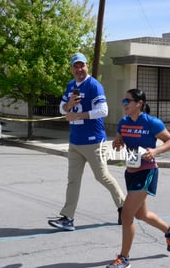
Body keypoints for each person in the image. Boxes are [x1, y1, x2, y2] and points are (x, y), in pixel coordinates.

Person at [48, 53, 125, 231]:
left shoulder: (94, 85)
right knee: (72, 181)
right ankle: (68, 218)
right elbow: (62, 108)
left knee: (102, 177)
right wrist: (69, 106)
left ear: (87, 66)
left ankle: (124, 206)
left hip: (93, 141)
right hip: (75, 141)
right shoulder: (70, 85)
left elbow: (103, 110)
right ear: (71, 68)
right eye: (75, 66)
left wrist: (79, 114)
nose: (79, 69)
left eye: (81, 65)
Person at [106, 89, 170, 268]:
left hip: (147, 171)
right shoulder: (123, 122)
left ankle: (124, 258)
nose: (124, 104)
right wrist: (117, 144)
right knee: (142, 214)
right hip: (130, 171)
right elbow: (119, 141)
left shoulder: (151, 122)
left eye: (127, 101)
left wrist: (155, 151)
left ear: (139, 103)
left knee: (126, 214)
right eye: (123, 101)